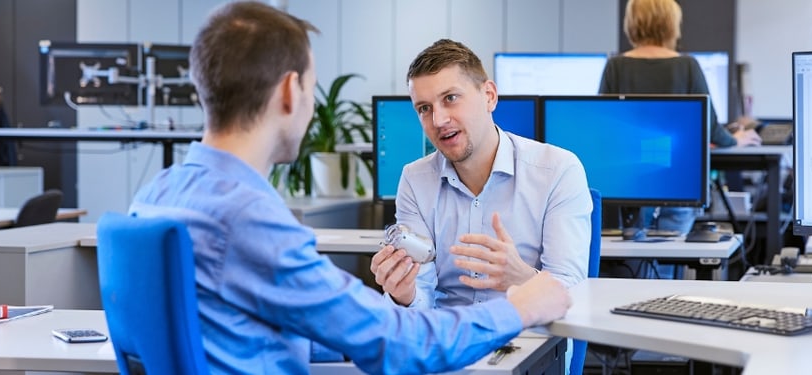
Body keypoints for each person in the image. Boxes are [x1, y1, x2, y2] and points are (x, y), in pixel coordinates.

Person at [127, 3, 572, 374]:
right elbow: (398, 344)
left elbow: (259, 329)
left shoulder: (153, 197)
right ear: (289, 91)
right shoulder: (248, 217)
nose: (438, 119)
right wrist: (519, 308)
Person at [370, 39, 592, 309]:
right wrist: (404, 294)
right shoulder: (415, 180)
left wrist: (522, 278)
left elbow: (574, 294)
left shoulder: (558, 170)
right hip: (449, 336)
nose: (438, 120)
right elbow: (422, 295)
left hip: (527, 334)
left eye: (450, 98)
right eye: (424, 108)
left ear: (489, 96)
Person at [598, 0, 761, 235]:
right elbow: (711, 129)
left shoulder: (615, 66)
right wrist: (738, 139)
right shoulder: (687, 66)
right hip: (679, 183)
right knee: (669, 261)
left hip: (630, 183)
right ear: (672, 24)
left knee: (632, 260)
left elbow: (604, 126)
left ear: (631, 23)